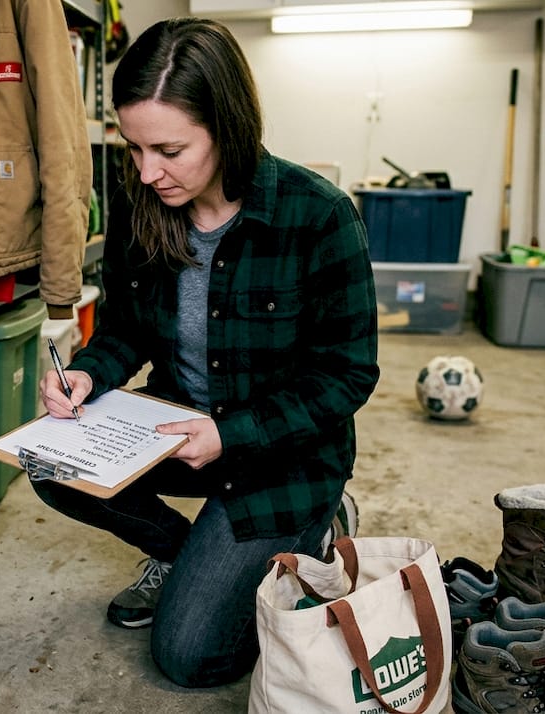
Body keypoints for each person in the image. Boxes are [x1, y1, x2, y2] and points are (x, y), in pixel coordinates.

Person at [34, 17, 379, 688]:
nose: (147, 172)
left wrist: (231, 433)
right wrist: (86, 373)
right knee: (47, 461)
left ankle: (314, 523)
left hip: (281, 458)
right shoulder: (146, 204)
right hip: (177, 427)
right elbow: (127, 330)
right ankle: (186, 553)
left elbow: (347, 375)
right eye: (133, 149)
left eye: (168, 149)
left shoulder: (318, 215)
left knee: (188, 658)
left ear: (225, 124)